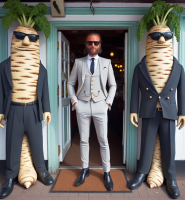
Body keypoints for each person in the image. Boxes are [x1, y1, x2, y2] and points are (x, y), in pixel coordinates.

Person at [129, 26, 185, 199]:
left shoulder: (178, 67)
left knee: (169, 146)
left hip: (168, 112)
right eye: (156, 36)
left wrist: (182, 112)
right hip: (149, 111)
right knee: (146, 144)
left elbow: (181, 91)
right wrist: (133, 110)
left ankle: (171, 178)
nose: (161, 39)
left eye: (167, 36)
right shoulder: (141, 67)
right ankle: (141, 173)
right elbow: (134, 91)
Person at [0, 26, 54, 199]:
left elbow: (44, 89)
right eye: (20, 36)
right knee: (13, 144)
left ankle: (42, 171)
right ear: (15, 38)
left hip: (33, 109)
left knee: (37, 142)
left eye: (31, 37)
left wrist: (47, 109)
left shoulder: (40, 68)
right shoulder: (4, 66)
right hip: (13, 109)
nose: (25, 41)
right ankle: (9, 178)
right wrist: (0, 111)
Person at [67, 31, 116, 191]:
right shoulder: (79, 62)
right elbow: (70, 83)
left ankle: (107, 172)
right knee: (83, 140)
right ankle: (84, 169)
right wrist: (75, 101)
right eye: (90, 42)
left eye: (96, 43)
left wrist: (108, 103)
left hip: (101, 105)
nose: (93, 45)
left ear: (100, 46)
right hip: (82, 104)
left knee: (103, 140)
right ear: (86, 45)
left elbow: (113, 85)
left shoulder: (106, 62)